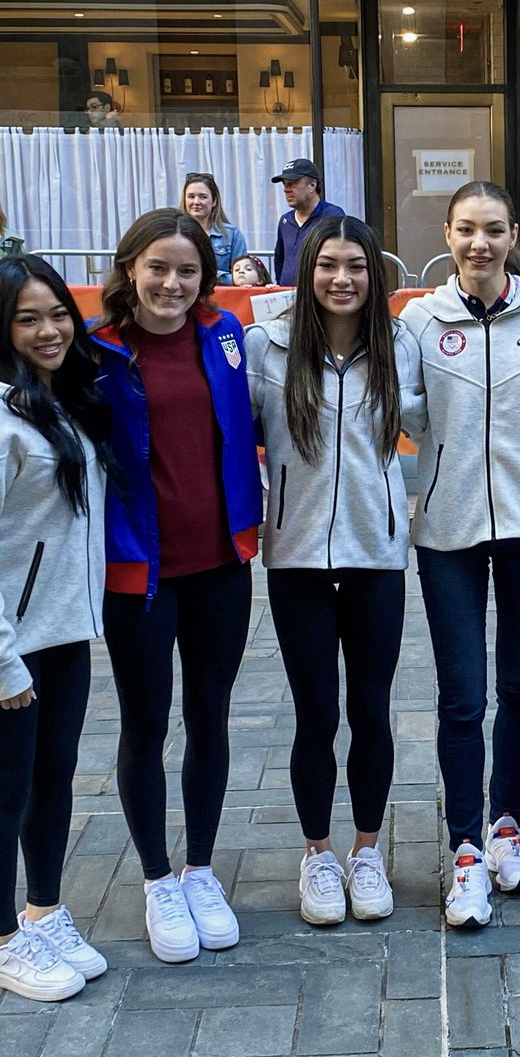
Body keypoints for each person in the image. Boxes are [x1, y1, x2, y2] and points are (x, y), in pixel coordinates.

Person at [402, 181, 520, 929]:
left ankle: (507, 826)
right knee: (461, 696)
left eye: (495, 230)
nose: (480, 243)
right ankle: (466, 849)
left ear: (514, 236)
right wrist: (445, 453)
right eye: (468, 229)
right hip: (447, 527)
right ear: (447, 234)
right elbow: (406, 405)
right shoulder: (418, 319)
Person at [91, 208, 262, 963]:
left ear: (205, 277)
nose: (171, 282)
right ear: (131, 267)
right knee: (145, 725)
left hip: (222, 565)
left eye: (186, 270)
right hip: (141, 576)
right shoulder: (95, 352)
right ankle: (158, 879)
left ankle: (199, 869)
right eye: (157, 267)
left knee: (211, 719)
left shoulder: (222, 336)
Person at [246, 216, 424, 927]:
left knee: (371, 712)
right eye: (328, 266)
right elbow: (239, 438)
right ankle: (318, 854)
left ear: (374, 275)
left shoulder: (401, 345)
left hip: (377, 557)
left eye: (356, 265)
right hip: (296, 563)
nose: (342, 279)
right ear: (307, 271)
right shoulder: (269, 344)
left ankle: (367, 851)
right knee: (316, 715)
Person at [0, 256, 114, 1002]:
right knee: (5, 795)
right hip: (12, 648)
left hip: (64, 631)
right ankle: (5, 940)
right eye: (28, 318)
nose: (49, 331)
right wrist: (2, 662)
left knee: (51, 784)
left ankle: (42, 910)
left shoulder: (61, 398)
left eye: (58, 314)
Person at [272, 159, 344, 287]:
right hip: (286, 296)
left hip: (317, 296)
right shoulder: (285, 221)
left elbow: (339, 258)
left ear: (312, 185)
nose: (286, 190)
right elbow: (280, 258)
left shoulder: (331, 216)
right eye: (284, 184)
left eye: (292, 184)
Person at [179, 173, 249, 286]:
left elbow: (243, 276)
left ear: (214, 201)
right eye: (191, 196)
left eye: (203, 197)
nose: (196, 202)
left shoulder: (232, 235)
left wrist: (208, 276)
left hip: (223, 299)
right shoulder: (174, 233)